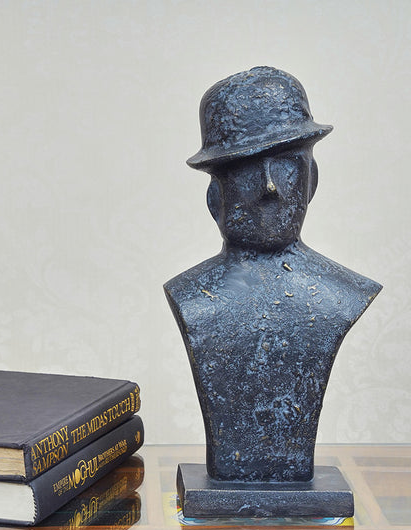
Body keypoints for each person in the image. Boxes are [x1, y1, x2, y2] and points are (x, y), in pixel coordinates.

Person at [164, 67, 382, 482]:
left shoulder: (343, 296)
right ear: (215, 195)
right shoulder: (191, 297)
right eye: (247, 169)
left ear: (312, 180)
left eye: (285, 164)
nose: (269, 188)